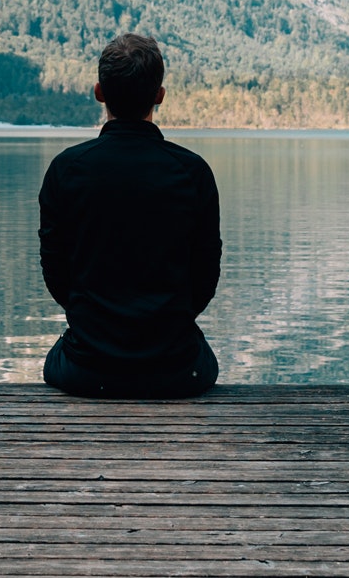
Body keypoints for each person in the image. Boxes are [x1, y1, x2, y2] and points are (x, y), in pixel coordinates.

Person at [34, 32, 221, 399]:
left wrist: (92, 324)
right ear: (160, 95)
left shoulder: (66, 169)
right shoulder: (193, 172)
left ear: (99, 92)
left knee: (58, 357)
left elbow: (55, 271)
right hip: (180, 370)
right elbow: (205, 276)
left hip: (86, 369)